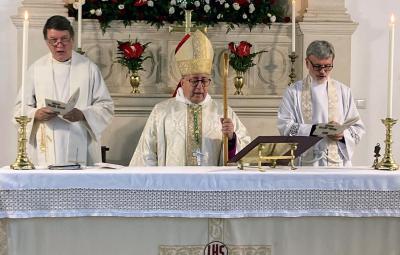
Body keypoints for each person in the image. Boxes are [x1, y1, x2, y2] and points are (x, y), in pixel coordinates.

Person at [130, 30, 251, 166]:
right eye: (194, 80)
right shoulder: (161, 112)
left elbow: (245, 151)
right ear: (182, 82)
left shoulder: (223, 111)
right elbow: (146, 154)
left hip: (211, 184)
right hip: (172, 184)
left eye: (204, 80)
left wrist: (231, 138)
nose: (200, 86)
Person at [14, 15, 114, 166]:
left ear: (72, 39)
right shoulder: (36, 69)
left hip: (80, 140)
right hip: (45, 145)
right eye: (53, 40)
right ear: (47, 42)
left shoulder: (88, 68)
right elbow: (19, 109)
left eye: (64, 39)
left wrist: (82, 114)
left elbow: (106, 107)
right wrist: (36, 114)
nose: (59, 45)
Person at [277, 40, 365, 166]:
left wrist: (342, 134)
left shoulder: (343, 91)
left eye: (327, 66)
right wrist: (315, 130)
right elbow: (285, 126)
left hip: (337, 163)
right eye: (317, 66)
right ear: (307, 63)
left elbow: (357, 128)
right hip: (305, 163)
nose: (323, 71)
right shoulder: (293, 92)